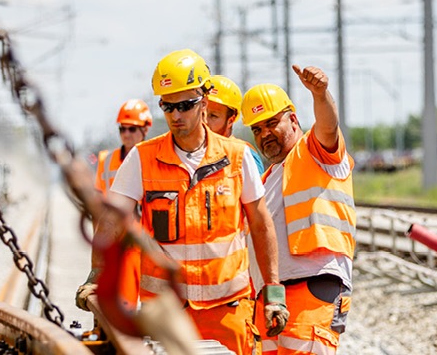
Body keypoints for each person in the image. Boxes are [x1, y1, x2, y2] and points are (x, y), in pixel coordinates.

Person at [99, 49, 288, 353]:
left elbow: (261, 222)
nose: (175, 116)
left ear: (204, 100)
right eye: (167, 107)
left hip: (226, 311)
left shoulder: (236, 158)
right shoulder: (142, 159)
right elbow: (112, 220)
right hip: (166, 315)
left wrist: (274, 291)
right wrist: (97, 275)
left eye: (184, 106)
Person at [241, 66, 354, 355]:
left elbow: (328, 126)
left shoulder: (315, 151)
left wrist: (320, 94)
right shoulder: (266, 179)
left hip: (313, 287)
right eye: (257, 129)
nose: (265, 133)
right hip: (273, 299)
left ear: (293, 119)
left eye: (271, 123)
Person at [76, 99, 152, 314]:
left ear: (146, 128)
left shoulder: (153, 158)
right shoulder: (106, 160)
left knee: (149, 305)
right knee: (119, 306)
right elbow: (97, 210)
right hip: (117, 243)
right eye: (122, 129)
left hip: (144, 243)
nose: (126, 134)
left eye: (132, 128)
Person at [206, 75, 265, 174]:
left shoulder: (244, 156)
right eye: (202, 113)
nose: (205, 121)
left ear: (230, 120)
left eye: (213, 116)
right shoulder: (191, 153)